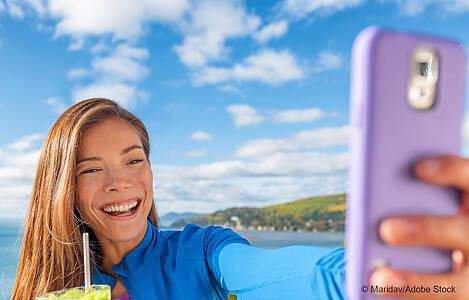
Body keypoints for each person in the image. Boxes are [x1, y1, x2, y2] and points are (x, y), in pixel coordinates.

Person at [9, 98, 469, 300]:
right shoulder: (53, 290)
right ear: (63, 188)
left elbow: (296, 276)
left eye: (134, 160)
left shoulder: (203, 251)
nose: (120, 182)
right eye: (91, 169)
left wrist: (403, 279)